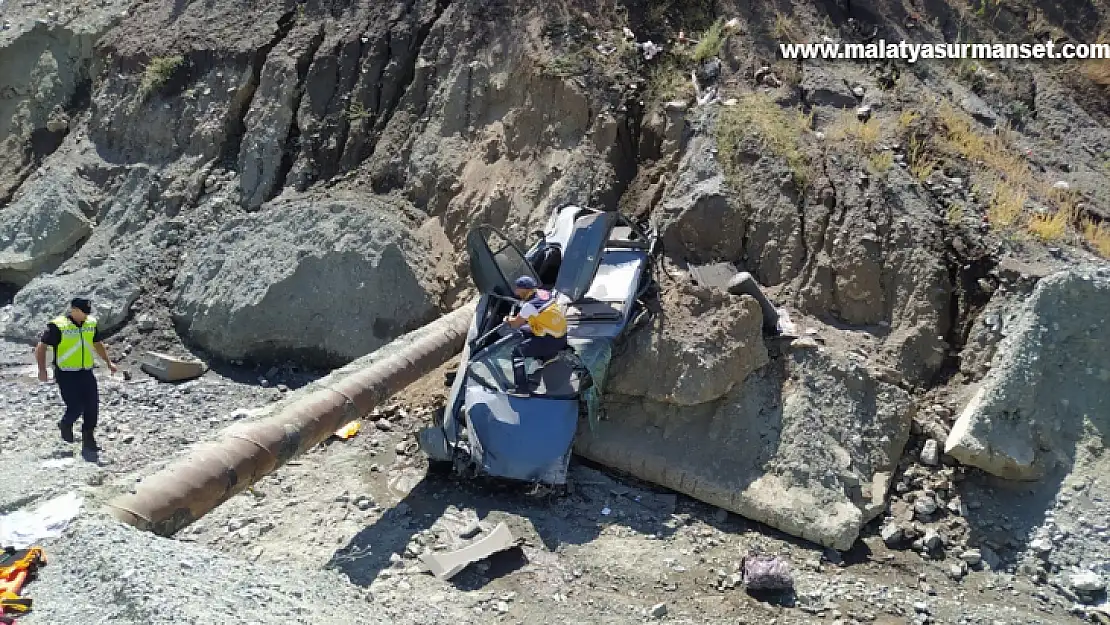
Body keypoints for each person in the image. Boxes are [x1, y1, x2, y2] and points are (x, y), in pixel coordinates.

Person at [34, 297, 117, 456]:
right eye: (82, 312)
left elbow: (97, 343)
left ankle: (88, 438)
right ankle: (65, 424)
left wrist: (108, 362)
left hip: (86, 371)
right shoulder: (58, 326)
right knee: (76, 407)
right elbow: (41, 347)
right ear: (73, 310)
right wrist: (42, 370)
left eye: (87, 312)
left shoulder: (90, 324)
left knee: (92, 405)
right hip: (66, 374)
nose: (85, 316)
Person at [504, 276, 568, 394]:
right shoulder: (545, 293)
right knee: (525, 330)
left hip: (551, 341)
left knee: (517, 353)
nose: (515, 292)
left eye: (517, 289)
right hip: (561, 335)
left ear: (525, 290)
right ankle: (548, 356)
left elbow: (515, 324)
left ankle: (521, 389)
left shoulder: (529, 306)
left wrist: (508, 319)